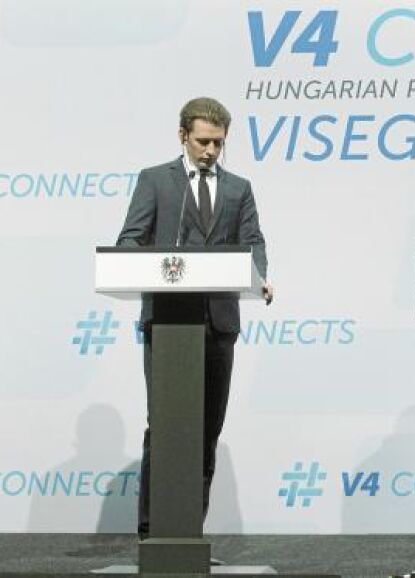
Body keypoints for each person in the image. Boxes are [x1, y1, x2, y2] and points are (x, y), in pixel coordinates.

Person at [116, 96, 272, 542]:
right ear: (183, 135)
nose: (210, 151)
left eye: (218, 143)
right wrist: (138, 264)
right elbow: (130, 239)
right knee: (165, 425)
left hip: (219, 323)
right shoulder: (156, 181)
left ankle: (189, 535)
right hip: (169, 321)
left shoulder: (238, 188)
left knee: (207, 430)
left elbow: (253, 241)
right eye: (203, 141)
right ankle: (153, 533)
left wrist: (260, 275)